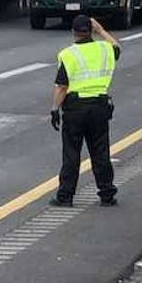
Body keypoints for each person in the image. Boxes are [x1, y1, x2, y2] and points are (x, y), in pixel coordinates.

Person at [50, 15, 121, 207]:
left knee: (72, 153)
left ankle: (65, 196)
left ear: (73, 32)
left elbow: (62, 86)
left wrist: (55, 109)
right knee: (100, 152)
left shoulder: (68, 54)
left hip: (75, 108)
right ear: (91, 30)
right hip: (99, 107)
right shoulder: (104, 49)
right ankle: (107, 194)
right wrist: (101, 30)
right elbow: (117, 47)